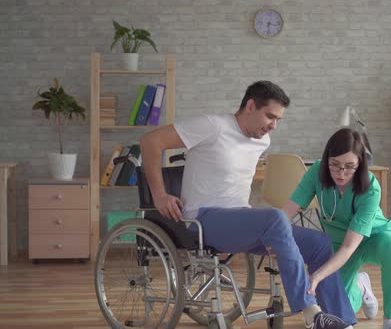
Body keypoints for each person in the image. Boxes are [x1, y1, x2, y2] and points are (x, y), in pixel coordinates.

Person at [139, 80, 356, 329]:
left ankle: (343, 323)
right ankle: (310, 311)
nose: (273, 126)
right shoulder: (213, 126)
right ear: (251, 106)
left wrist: (280, 241)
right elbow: (150, 142)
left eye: (278, 120)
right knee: (275, 217)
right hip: (203, 219)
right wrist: (160, 195)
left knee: (319, 243)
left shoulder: (262, 142)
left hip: (240, 221)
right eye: (270, 117)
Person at [282, 128, 391, 329]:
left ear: (360, 164)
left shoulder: (371, 187)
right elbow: (289, 209)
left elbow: (351, 246)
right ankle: (361, 285)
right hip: (338, 242)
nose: (341, 173)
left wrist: (318, 275)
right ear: (327, 160)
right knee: (338, 310)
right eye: (335, 165)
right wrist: (273, 235)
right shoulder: (316, 172)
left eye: (350, 166)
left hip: (374, 238)